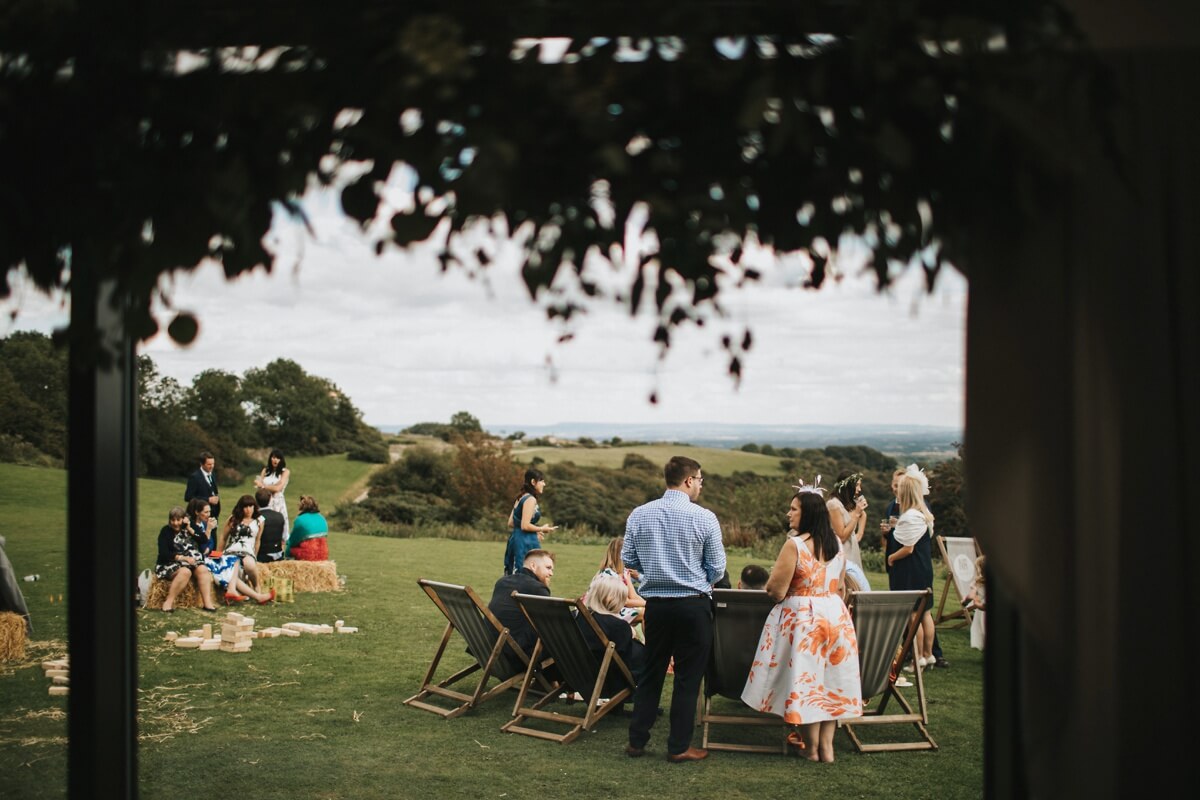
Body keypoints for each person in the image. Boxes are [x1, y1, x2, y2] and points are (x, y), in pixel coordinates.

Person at [741, 483, 862, 762]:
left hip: (805, 620)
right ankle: (827, 749)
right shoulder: (837, 547)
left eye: (794, 509)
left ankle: (812, 749)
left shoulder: (794, 545)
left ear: (806, 514)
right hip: (835, 615)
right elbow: (841, 587)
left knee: (807, 684)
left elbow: (776, 590)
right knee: (829, 683)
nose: (789, 513)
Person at [621, 456, 726, 763]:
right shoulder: (705, 518)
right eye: (701, 480)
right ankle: (679, 746)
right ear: (689, 481)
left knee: (651, 673)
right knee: (687, 677)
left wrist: (655, 571)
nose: (701, 486)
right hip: (693, 606)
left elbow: (628, 558)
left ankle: (636, 741)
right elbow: (717, 569)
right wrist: (696, 578)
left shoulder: (639, 514)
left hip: (656, 606)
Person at [881, 467, 948, 669]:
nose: (897, 492)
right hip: (923, 567)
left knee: (913, 616)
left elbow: (907, 548)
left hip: (910, 569)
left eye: (900, 488)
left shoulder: (910, 516)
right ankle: (929, 655)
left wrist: (892, 557)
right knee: (925, 613)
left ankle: (917, 658)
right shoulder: (923, 513)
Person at [580, 571, 647, 686]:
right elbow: (627, 658)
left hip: (579, 673)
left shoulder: (578, 618)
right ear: (609, 599)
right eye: (622, 600)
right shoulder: (617, 626)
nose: (623, 605)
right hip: (609, 680)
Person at [487, 549, 555, 656]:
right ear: (533, 566)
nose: (551, 573)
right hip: (515, 654)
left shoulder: (503, 582)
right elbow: (549, 626)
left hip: (489, 648)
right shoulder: (538, 589)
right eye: (548, 568)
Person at [155, 506, 217, 612]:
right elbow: (164, 553)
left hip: (191, 562)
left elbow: (203, 540)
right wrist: (182, 558)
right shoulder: (165, 531)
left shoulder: (190, 526)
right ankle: (168, 602)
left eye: (178, 520)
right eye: (173, 520)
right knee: (185, 572)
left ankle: (207, 603)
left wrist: (189, 528)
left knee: (203, 570)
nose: (175, 523)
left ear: (184, 519)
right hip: (171, 562)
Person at [503, 468, 557, 576]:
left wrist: (534, 530)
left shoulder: (520, 497)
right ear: (533, 482)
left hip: (516, 539)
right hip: (524, 542)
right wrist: (542, 529)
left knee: (515, 573)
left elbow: (511, 523)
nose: (544, 484)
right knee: (527, 573)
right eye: (541, 481)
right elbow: (524, 525)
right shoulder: (530, 499)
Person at [218, 494, 264, 590]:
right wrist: (217, 555)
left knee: (249, 565)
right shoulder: (233, 519)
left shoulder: (259, 520)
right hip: (232, 550)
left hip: (248, 551)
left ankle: (256, 585)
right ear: (241, 508)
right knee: (234, 566)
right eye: (245, 507)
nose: (248, 510)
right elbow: (223, 538)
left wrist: (255, 556)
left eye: (251, 506)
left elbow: (257, 540)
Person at [827, 470, 867, 572]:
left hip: (852, 548)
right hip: (841, 552)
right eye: (857, 485)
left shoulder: (848, 503)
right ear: (848, 486)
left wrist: (859, 534)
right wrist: (857, 513)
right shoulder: (833, 505)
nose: (859, 489)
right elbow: (842, 536)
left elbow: (863, 514)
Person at [184, 451, 221, 549]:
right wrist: (208, 499)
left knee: (213, 541)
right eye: (209, 464)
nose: (212, 466)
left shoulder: (212, 475)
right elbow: (188, 497)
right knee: (204, 542)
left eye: (213, 464)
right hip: (201, 516)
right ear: (202, 464)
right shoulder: (195, 477)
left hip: (213, 515)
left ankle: (214, 560)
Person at [253, 449, 290, 540]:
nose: (275, 460)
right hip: (264, 500)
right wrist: (269, 486)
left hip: (278, 501)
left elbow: (278, 488)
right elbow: (258, 486)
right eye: (273, 457)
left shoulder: (285, 472)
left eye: (278, 458)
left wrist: (263, 485)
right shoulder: (265, 471)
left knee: (280, 528)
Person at [286, 495, 329, 560]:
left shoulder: (300, 519)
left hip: (308, 554)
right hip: (323, 554)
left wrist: (286, 554)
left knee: (292, 548)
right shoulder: (322, 518)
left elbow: (292, 541)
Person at [254, 488, 286, 563]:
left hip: (261, 556)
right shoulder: (280, 516)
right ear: (270, 499)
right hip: (278, 554)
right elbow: (284, 537)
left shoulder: (256, 517)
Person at [964, 554, 987, 651]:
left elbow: (971, 597)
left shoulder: (978, 583)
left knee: (982, 631)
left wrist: (974, 602)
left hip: (983, 612)